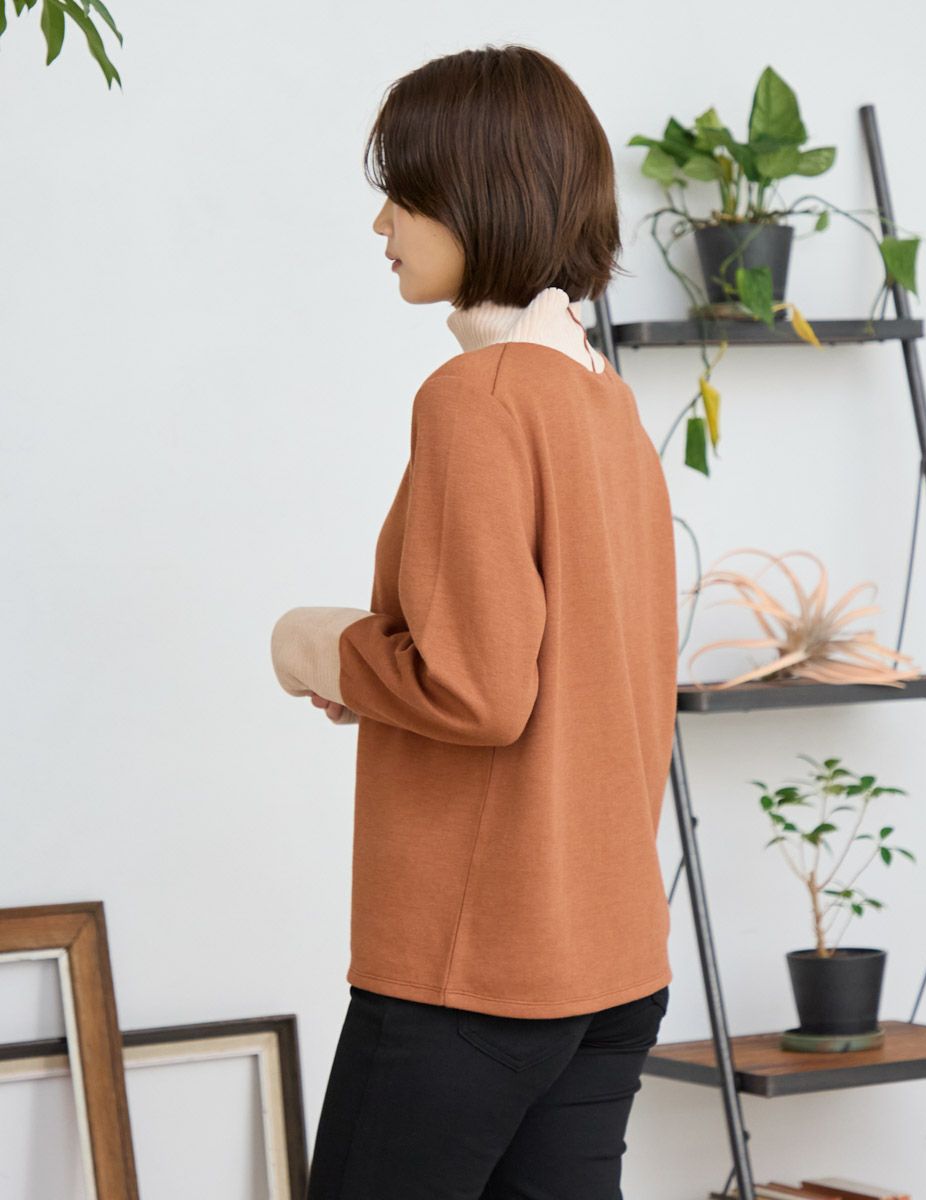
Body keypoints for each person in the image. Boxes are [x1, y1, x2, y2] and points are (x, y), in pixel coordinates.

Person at [270, 42, 679, 1200]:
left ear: (477, 194)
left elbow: (478, 692)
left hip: (474, 972)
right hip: (608, 963)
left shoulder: (476, 399)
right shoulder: (607, 408)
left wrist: (318, 647)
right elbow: (577, 677)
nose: (382, 225)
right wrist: (387, 676)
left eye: (402, 193)